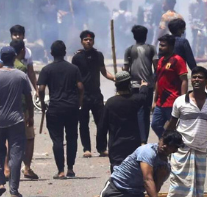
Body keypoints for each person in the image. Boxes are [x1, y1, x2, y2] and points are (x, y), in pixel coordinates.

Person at [161, 66, 207, 197]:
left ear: (206, 81)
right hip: (181, 152)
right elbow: (171, 124)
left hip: (200, 152)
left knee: (196, 193)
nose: (196, 80)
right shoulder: (180, 102)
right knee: (178, 188)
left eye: (200, 78)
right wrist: (162, 143)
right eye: (194, 78)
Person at [0, 46, 33, 197]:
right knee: (16, 155)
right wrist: (30, 116)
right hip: (17, 120)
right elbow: (29, 98)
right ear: (14, 57)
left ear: (1, 59)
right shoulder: (21, 76)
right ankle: (14, 190)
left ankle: (0, 183)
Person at [37, 40, 84, 179]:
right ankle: (70, 168)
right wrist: (79, 103)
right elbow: (81, 87)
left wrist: (42, 103)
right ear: (65, 53)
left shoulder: (47, 69)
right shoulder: (73, 69)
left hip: (55, 108)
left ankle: (60, 171)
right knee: (72, 138)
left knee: (57, 140)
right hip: (71, 108)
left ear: (51, 53)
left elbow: (41, 88)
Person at [72, 30, 113, 158]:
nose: (88, 41)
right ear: (81, 42)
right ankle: (86, 149)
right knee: (83, 123)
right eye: (85, 40)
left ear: (93, 41)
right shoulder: (77, 58)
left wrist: (115, 78)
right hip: (82, 95)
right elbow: (73, 76)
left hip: (96, 94)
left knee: (101, 122)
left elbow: (104, 72)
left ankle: (101, 148)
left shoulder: (98, 55)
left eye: (90, 40)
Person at [102, 71, 143, 169]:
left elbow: (103, 126)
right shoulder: (135, 100)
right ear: (129, 84)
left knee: (117, 174)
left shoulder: (111, 103)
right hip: (133, 144)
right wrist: (144, 86)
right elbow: (144, 96)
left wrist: (100, 145)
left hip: (116, 146)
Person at [123, 25, 157, 144]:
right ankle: (143, 139)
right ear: (146, 35)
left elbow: (125, 70)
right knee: (144, 112)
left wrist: (123, 85)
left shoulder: (129, 49)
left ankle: (140, 139)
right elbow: (156, 68)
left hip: (133, 86)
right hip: (147, 85)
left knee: (136, 112)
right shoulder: (151, 49)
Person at [151, 34, 189, 139]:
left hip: (173, 101)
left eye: (163, 45)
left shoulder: (177, 60)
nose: (160, 47)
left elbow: (184, 80)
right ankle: (166, 141)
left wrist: (183, 99)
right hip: (160, 102)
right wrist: (155, 101)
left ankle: (178, 147)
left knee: (176, 127)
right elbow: (158, 81)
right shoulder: (161, 61)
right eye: (160, 45)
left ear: (171, 46)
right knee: (155, 124)